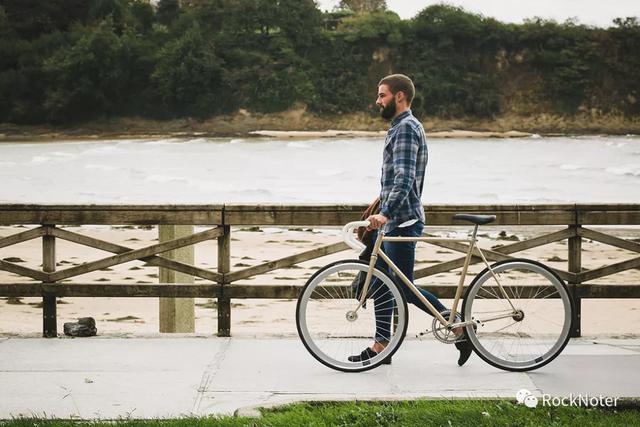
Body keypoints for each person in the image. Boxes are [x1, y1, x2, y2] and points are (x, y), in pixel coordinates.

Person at [348, 74, 473, 367]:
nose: (377, 101)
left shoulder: (405, 129)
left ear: (400, 96)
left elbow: (404, 181)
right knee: (378, 283)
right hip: (393, 221)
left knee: (403, 288)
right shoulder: (400, 128)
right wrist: (380, 204)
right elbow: (396, 180)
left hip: (402, 221)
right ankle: (382, 346)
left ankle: (456, 326)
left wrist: (385, 213)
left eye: (382, 95)